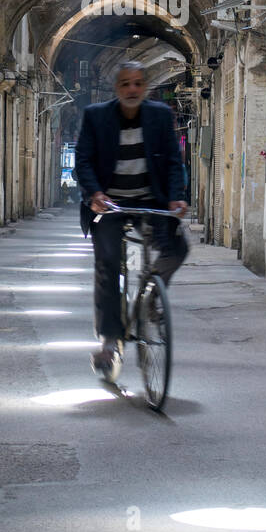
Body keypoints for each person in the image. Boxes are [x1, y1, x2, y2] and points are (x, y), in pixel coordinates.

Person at [75, 61, 189, 379]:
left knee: (177, 249)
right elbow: (83, 161)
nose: (132, 89)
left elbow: (171, 161)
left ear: (146, 86)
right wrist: (95, 194)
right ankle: (110, 340)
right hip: (109, 205)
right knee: (108, 266)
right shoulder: (97, 116)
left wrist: (176, 197)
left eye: (138, 83)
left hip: (151, 201)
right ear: (117, 88)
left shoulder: (160, 116)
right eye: (125, 84)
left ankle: (152, 296)